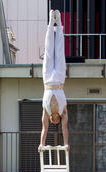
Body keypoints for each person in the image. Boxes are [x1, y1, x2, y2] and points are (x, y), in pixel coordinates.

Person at [38, 9, 69, 153]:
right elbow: (65, 128)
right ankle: (59, 22)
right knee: (59, 51)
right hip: (60, 78)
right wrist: (66, 144)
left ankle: (51, 22)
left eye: (53, 122)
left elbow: (44, 128)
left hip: (48, 80)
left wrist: (41, 144)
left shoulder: (46, 110)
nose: (55, 121)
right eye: (57, 121)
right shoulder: (63, 111)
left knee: (49, 52)